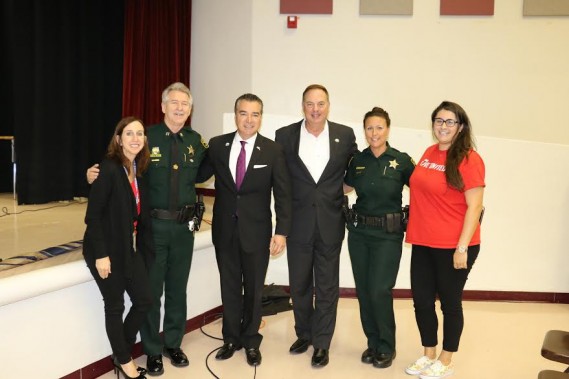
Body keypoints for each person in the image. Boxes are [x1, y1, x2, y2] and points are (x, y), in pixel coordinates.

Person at [87, 82, 209, 376]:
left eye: (185, 104)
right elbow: (117, 171)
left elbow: (209, 173)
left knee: (178, 289)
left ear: (190, 109)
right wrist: (92, 173)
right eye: (174, 102)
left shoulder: (197, 142)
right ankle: (152, 350)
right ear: (163, 106)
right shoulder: (146, 137)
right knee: (151, 291)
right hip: (152, 228)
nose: (180, 108)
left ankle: (174, 343)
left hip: (183, 228)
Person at [199, 93, 292, 366]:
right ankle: (231, 338)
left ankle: (251, 340)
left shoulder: (273, 150)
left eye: (255, 114)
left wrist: (281, 231)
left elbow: (283, 194)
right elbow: (196, 174)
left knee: (253, 289)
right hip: (225, 230)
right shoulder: (217, 145)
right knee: (228, 286)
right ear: (235, 114)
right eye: (243, 113)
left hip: (257, 231)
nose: (249, 119)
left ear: (261, 117)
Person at [275, 84, 357, 367]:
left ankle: (322, 343)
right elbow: (281, 183)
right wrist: (280, 227)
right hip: (297, 224)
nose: (315, 109)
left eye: (320, 103)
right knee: (298, 284)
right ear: (302, 106)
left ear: (328, 106)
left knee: (326, 286)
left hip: (330, 223)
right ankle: (304, 333)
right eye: (310, 104)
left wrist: (334, 192)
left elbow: (356, 171)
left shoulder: (344, 135)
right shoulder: (284, 136)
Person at [404, 101, 485, 379]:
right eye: (439, 120)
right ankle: (428, 353)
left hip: (455, 245)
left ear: (460, 126)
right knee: (422, 301)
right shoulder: (429, 152)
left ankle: (446, 359)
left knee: (450, 303)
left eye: (450, 122)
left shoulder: (469, 158)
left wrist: (462, 247)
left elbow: (475, 206)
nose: (443, 126)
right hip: (423, 241)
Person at [343, 107, 415, 369]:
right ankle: (372, 343)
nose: (374, 133)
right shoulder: (358, 161)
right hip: (359, 233)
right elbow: (344, 186)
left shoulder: (401, 160)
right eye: (370, 128)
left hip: (388, 235)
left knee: (379, 290)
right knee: (363, 290)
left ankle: (387, 345)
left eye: (379, 127)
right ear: (365, 131)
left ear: (388, 129)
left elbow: (424, 188)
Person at [83, 116, 153, 379]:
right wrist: (101, 255)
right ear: (118, 139)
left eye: (140, 133)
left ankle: (120, 350)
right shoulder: (110, 168)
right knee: (114, 306)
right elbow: (93, 216)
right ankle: (125, 362)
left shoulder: (137, 169)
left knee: (145, 300)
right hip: (104, 250)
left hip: (126, 248)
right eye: (129, 134)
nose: (135, 138)